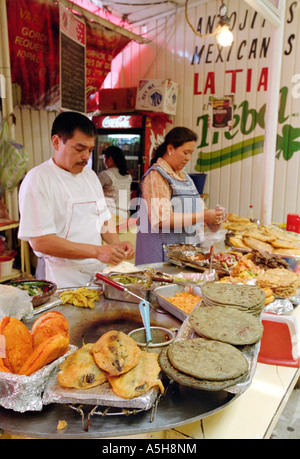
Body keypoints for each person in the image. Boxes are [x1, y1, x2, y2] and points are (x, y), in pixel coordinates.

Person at [18, 111, 135, 288]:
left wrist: (117, 245)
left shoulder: (90, 176)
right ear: (56, 142)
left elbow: (104, 219)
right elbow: (41, 241)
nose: (86, 157)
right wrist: (97, 251)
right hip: (57, 275)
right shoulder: (38, 180)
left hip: (95, 273)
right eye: (79, 149)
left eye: (90, 150)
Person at [135, 127, 227, 265]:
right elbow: (161, 220)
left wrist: (214, 216)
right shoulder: (156, 176)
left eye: (191, 153)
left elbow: (201, 212)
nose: (188, 158)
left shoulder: (186, 178)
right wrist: (203, 216)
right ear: (170, 148)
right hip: (159, 257)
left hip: (183, 256)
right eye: (185, 152)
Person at [98, 146, 132, 219]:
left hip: (109, 217)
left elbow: (95, 194)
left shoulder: (105, 175)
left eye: (104, 158)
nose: (104, 161)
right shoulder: (128, 176)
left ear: (109, 159)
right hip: (125, 216)